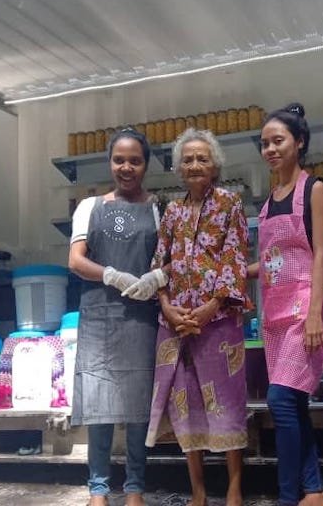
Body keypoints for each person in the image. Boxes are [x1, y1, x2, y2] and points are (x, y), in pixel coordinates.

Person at [144, 127, 251, 506]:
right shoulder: (171, 211)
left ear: (215, 165)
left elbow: (234, 259)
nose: (194, 165)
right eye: (187, 159)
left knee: (226, 401)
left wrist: (209, 309)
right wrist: (168, 308)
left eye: (202, 158)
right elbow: (160, 265)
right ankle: (199, 492)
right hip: (176, 326)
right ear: (178, 168)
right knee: (185, 403)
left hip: (217, 323)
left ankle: (235, 487)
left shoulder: (230, 203)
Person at [68, 128, 166, 506]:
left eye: (135, 160)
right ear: (110, 162)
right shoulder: (89, 207)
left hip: (141, 317)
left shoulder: (158, 208)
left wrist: (156, 278)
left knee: (139, 405)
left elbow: (168, 260)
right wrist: (111, 274)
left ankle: (135, 487)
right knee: (99, 403)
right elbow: (76, 260)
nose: (126, 168)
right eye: (119, 160)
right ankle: (98, 488)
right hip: (98, 317)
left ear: (146, 164)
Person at [248, 103, 323, 506]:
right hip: (274, 313)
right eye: (264, 143)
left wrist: (317, 312)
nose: (270, 149)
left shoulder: (312, 189)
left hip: (304, 310)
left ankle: (286, 497)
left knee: (280, 400)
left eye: (278, 140)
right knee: (294, 403)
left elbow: (321, 253)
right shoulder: (269, 200)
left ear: (299, 143)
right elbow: (269, 261)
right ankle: (314, 491)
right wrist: (235, 274)